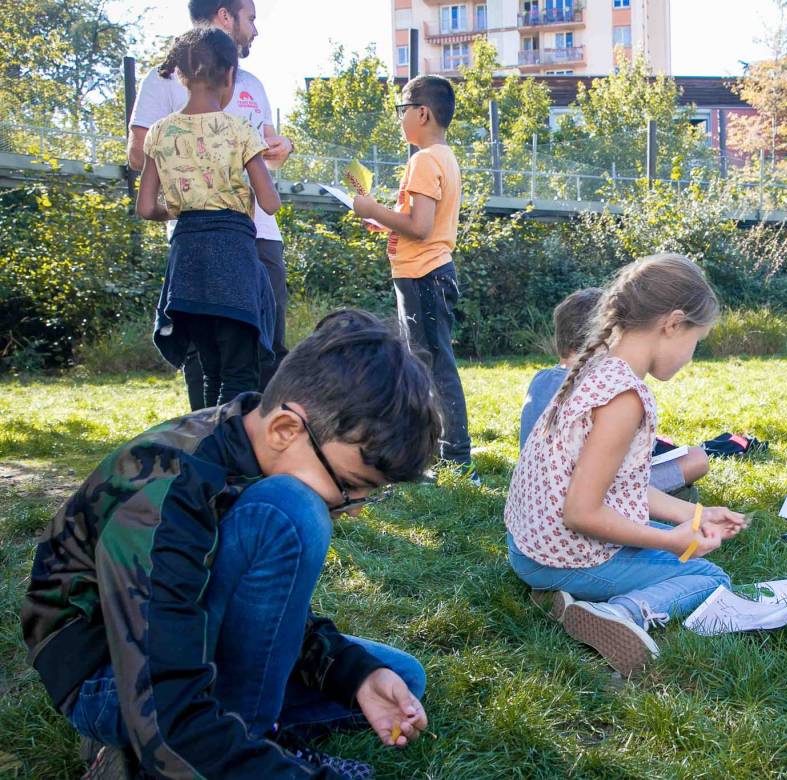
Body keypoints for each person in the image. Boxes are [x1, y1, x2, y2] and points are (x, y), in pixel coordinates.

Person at [22, 309, 441, 780]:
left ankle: (207, 740)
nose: (356, 507)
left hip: (183, 640)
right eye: (350, 485)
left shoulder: (253, 440)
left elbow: (262, 612)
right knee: (291, 511)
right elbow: (164, 711)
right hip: (108, 676)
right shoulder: (167, 487)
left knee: (396, 679)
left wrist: (352, 671)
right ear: (287, 429)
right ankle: (218, 743)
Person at [504, 254, 747, 676]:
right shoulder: (623, 396)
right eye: (696, 341)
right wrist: (670, 541)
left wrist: (695, 514)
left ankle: (558, 595)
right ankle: (621, 613)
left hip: (529, 546)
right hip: (561, 554)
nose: (692, 356)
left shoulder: (595, 367)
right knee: (710, 578)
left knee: (677, 550)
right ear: (672, 324)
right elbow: (582, 513)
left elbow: (620, 487)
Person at [128, 0, 295, 408]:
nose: (255, 28)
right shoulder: (237, 129)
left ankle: (206, 450)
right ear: (228, 77)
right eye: (251, 18)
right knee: (242, 365)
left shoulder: (164, 133)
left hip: (189, 258)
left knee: (210, 361)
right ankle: (239, 453)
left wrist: (187, 199)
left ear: (184, 77)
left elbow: (146, 207)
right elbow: (269, 202)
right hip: (236, 247)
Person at [352, 76, 475, 481]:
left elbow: (421, 227)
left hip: (424, 275)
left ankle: (455, 458)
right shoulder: (443, 156)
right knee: (428, 362)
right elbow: (417, 223)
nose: (400, 118)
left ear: (422, 112)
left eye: (402, 109)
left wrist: (370, 206)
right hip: (425, 274)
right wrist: (384, 221)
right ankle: (440, 451)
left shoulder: (423, 160)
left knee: (434, 365)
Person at [519, 287, 710, 496]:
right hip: (591, 498)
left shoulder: (540, 381)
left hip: (535, 504)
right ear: (608, 337)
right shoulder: (608, 389)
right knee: (696, 459)